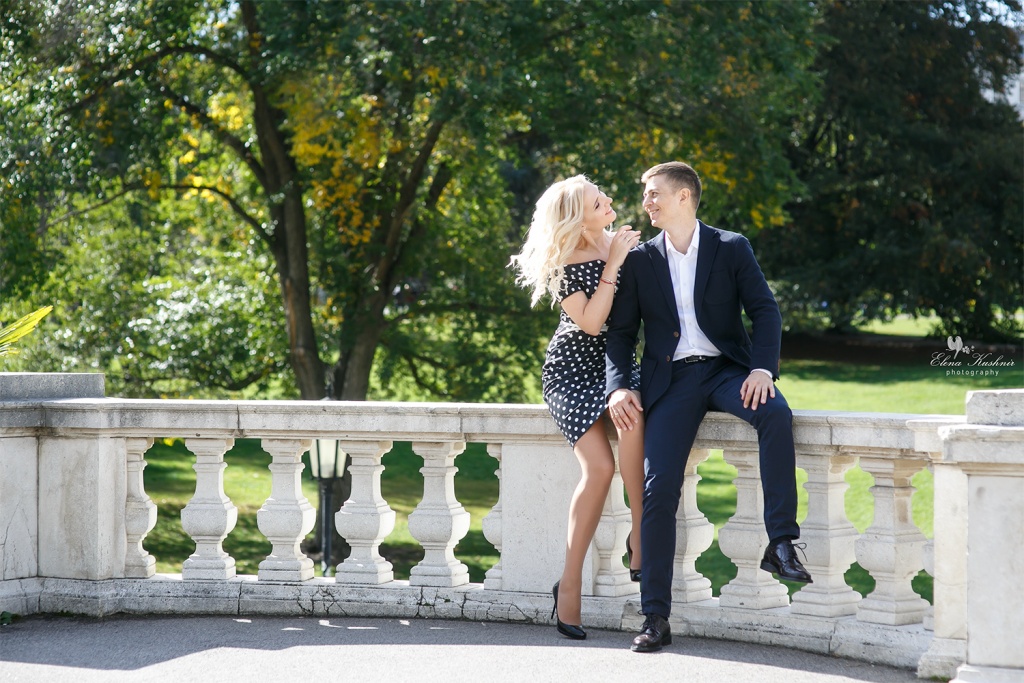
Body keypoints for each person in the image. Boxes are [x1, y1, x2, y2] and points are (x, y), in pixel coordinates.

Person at [605, 161, 812, 653]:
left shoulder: (731, 247)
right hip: (670, 382)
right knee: (658, 488)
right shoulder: (640, 260)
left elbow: (765, 310)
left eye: (654, 193)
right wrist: (618, 387)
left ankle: (781, 542)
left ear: (683, 197)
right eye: (645, 194)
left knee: (775, 413)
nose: (646, 202)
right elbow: (621, 334)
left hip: (726, 370)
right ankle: (656, 616)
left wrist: (762, 369)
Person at [509, 175, 645, 641]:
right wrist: (614, 263)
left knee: (634, 422)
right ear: (577, 218)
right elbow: (589, 322)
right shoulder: (566, 259)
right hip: (571, 369)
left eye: (603, 196)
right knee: (599, 468)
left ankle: (640, 535)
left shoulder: (622, 242)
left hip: (617, 364)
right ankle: (569, 584)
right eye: (597, 201)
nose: (608, 202)